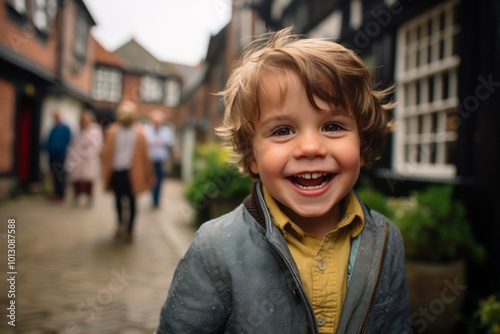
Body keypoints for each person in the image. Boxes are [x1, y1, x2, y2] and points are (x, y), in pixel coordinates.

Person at [157, 27, 411, 333]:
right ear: (252, 155)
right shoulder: (214, 248)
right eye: (282, 131)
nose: (310, 148)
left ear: (362, 142)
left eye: (332, 126)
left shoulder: (386, 239)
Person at [102, 100, 154, 242]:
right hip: (123, 172)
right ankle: (125, 228)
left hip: (127, 172)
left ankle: (124, 227)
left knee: (124, 200)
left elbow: (144, 157)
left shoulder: (133, 133)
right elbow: (107, 154)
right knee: (126, 201)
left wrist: (149, 175)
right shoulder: (116, 131)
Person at [66, 110, 103, 207]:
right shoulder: (78, 131)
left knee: (88, 181)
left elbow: (96, 145)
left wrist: (87, 154)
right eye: (83, 120)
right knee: (77, 180)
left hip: (89, 160)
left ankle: (89, 199)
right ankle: (76, 197)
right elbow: (73, 145)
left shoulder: (95, 130)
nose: (84, 122)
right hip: (78, 160)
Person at [145, 110, 175, 209]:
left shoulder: (166, 131)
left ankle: (156, 200)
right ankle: (153, 197)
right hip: (150, 161)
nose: (157, 123)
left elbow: (170, 144)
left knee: (160, 181)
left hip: (161, 161)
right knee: (151, 180)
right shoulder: (147, 131)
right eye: (155, 121)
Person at [45, 110, 72, 202]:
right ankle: (55, 193)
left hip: (60, 155)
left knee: (60, 175)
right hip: (52, 155)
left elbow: (68, 140)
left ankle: (61, 194)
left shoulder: (65, 128)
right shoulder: (53, 128)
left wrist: (60, 148)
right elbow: (48, 140)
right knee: (53, 175)